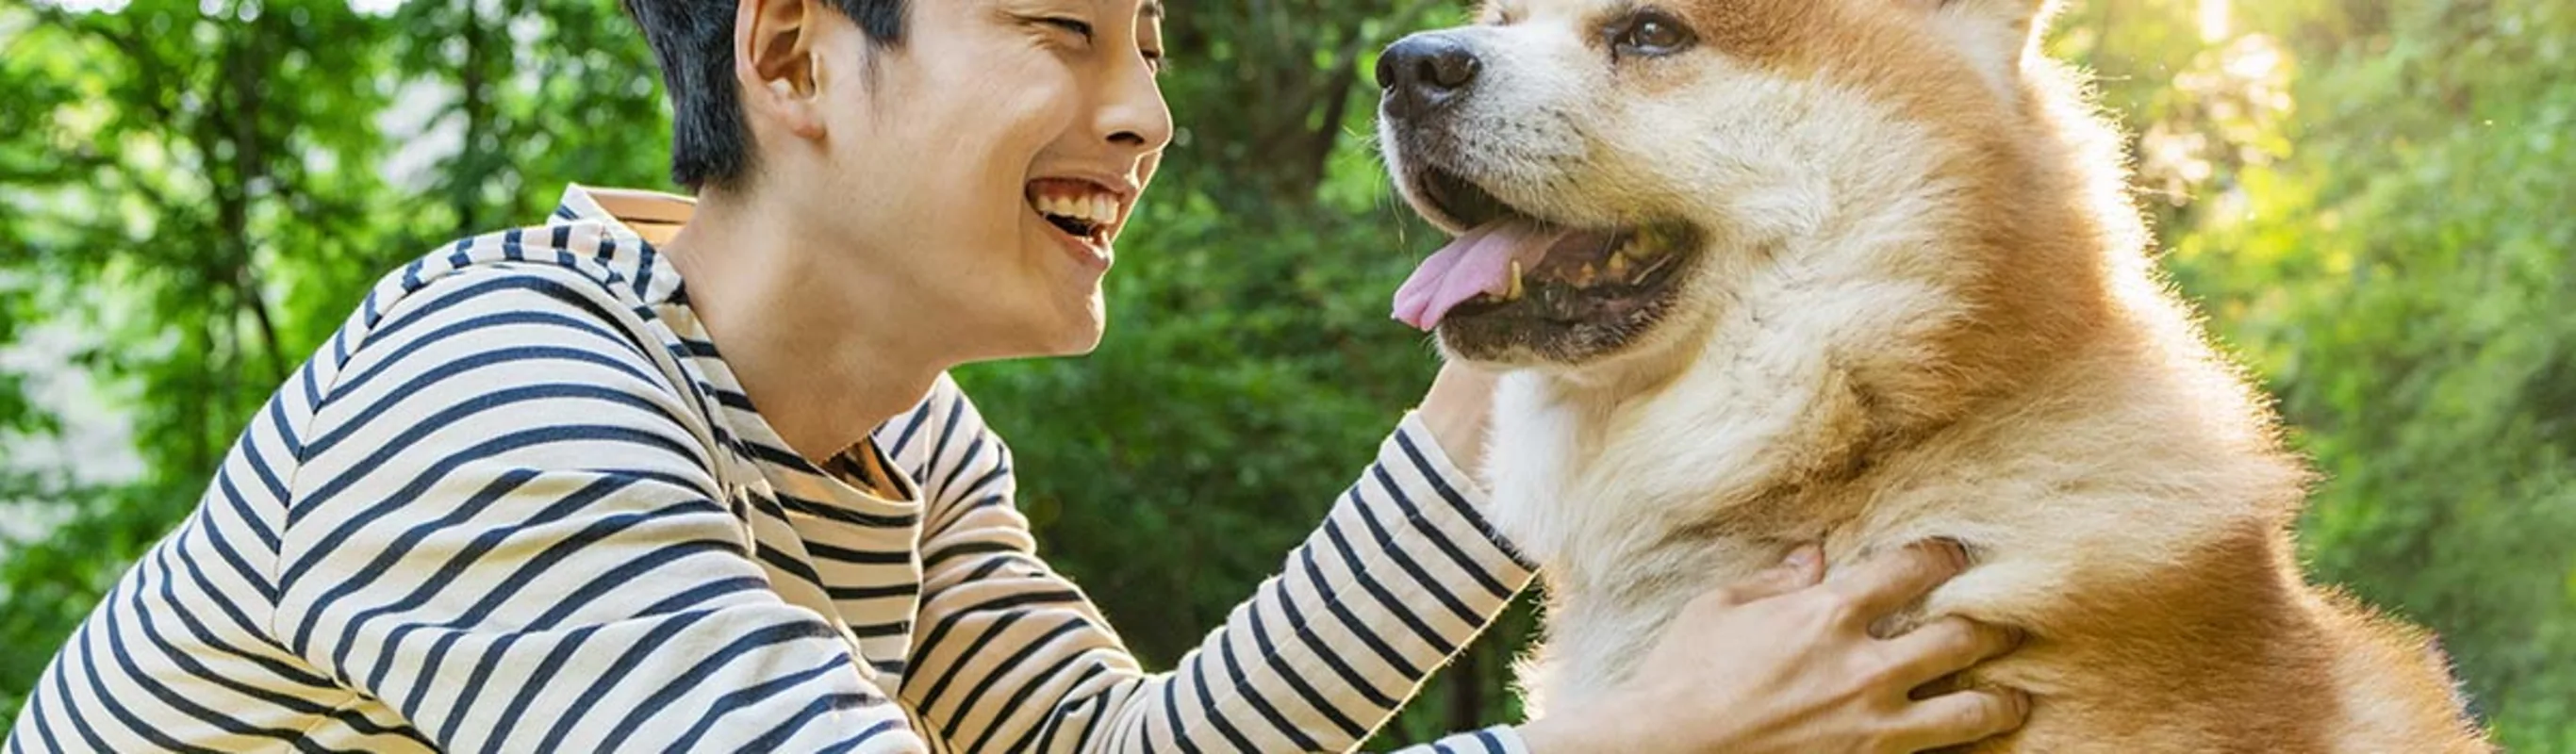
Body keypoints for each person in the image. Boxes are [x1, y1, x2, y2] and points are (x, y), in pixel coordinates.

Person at [4, 0, 2029, 750]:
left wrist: (1506, 370)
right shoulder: (494, 402)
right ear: (792, 56)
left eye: (1147, 45)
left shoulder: (899, 450)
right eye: (1062, 30)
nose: (1136, 112)